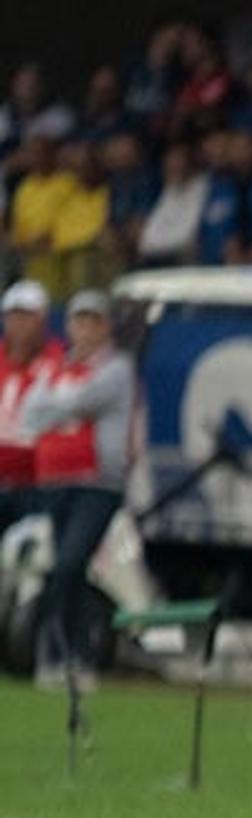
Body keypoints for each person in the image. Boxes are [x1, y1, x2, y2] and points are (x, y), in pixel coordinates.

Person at [19, 290, 134, 687]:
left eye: (93, 322)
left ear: (105, 327)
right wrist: (59, 405)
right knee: (63, 571)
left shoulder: (116, 368)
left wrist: (58, 404)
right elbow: (31, 413)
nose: (84, 330)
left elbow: (84, 402)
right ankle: (57, 656)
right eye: (78, 322)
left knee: (69, 563)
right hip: (54, 479)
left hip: (95, 483)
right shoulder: (53, 367)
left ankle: (74, 655)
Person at [0, 280, 64, 528]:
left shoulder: (59, 361)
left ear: (42, 319)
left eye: (27, 316)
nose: (19, 324)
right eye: (14, 316)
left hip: (39, 484)